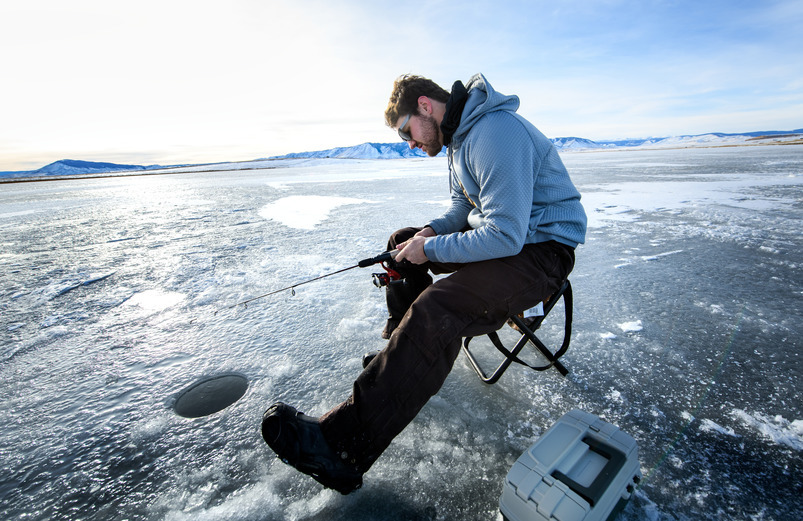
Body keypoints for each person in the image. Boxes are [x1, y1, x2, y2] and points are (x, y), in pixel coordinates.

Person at [261, 73, 587, 494]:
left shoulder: (494, 132)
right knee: (400, 243)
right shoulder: (459, 141)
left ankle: (342, 447)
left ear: (425, 106)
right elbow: (462, 208)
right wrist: (427, 235)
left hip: (542, 251)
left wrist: (431, 252)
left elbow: (506, 233)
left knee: (439, 306)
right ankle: (400, 359)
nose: (410, 144)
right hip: (511, 242)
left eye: (406, 132)